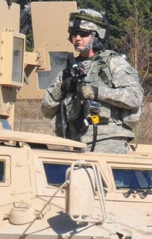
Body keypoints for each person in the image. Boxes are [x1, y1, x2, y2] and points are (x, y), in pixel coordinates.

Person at [40, 9, 144, 154]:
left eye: (84, 34)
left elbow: (134, 97)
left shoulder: (113, 63)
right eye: (74, 33)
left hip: (108, 141)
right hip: (75, 144)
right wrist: (63, 88)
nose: (78, 38)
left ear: (97, 36)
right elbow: (46, 109)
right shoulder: (68, 71)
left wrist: (96, 92)